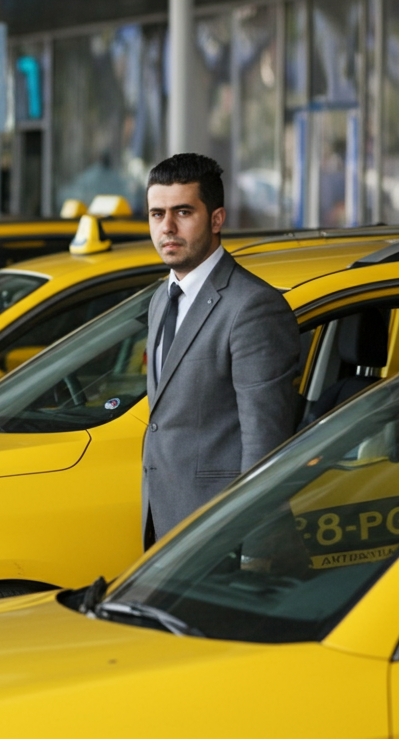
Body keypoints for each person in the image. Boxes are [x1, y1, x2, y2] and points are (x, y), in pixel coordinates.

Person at [141, 153, 299, 548]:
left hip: (221, 534)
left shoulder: (252, 306)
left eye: (182, 212)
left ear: (216, 219)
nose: (168, 227)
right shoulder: (162, 298)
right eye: (157, 214)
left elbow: (265, 443)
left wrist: (256, 548)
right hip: (164, 523)